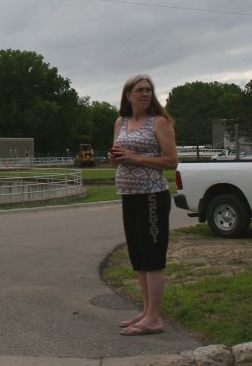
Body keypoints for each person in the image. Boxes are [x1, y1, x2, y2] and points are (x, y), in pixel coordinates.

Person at [109, 74, 178, 336]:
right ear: (128, 95)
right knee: (138, 257)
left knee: (152, 258)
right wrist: (116, 159)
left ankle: (155, 318)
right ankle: (146, 310)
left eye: (149, 90)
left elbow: (172, 161)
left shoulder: (159, 122)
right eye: (140, 90)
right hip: (129, 194)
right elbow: (119, 157)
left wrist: (136, 158)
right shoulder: (121, 122)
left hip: (152, 196)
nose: (146, 94)